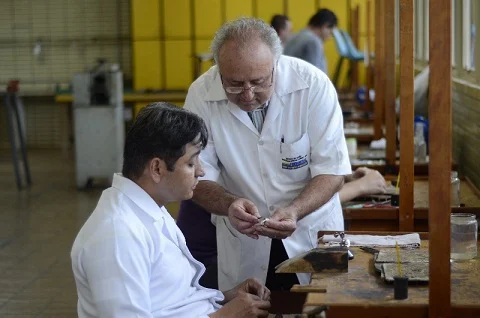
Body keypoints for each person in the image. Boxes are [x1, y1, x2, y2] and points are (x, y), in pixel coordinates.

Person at [182, 17, 351, 292]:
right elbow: (196, 175)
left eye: (258, 82)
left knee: (322, 307)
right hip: (244, 239)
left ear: (276, 64)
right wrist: (229, 204)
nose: (247, 95)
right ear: (218, 70)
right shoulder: (201, 94)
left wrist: (295, 211)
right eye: (234, 84)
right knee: (250, 307)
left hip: (312, 230)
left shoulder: (312, 85)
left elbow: (332, 171)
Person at [71, 102, 271, 317]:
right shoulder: (117, 237)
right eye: (192, 163)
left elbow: (168, 299)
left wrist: (224, 297)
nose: (202, 171)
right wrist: (224, 315)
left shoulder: (148, 209)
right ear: (157, 168)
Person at [177, 167, 387, 289]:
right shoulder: (212, 186)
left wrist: (345, 175)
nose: (200, 170)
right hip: (208, 270)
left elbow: (310, 188)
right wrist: (359, 187)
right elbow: (276, 209)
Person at [283, 8, 338, 74]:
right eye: (331, 33)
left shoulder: (295, 36)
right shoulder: (313, 42)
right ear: (325, 26)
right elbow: (314, 76)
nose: (329, 38)